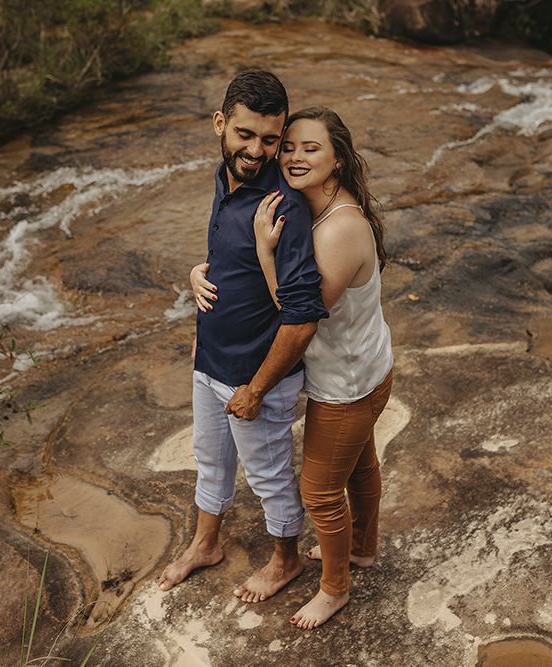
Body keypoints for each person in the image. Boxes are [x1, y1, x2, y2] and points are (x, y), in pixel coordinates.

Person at [193, 106, 393, 629]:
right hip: (369, 367)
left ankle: (335, 589)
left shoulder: (338, 230)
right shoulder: (319, 209)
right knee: (360, 466)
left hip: (346, 385)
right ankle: (363, 548)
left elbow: (298, 312)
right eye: (290, 147)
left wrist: (264, 250)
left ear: (339, 159)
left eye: (312, 148)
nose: (293, 157)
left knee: (320, 490)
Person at [158, 70, 328, 603]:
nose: (257, 151)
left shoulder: (284, 206)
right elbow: (230, 261)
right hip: (210, 360)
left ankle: (286, 560)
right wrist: (198, 277)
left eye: (270, 139)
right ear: (220, 125)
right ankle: (206, 543)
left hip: (256, 376)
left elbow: (302, 317)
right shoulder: (224, 177)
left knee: (269, 476)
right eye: (245, 135)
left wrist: (256, 388)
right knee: (210, 459)